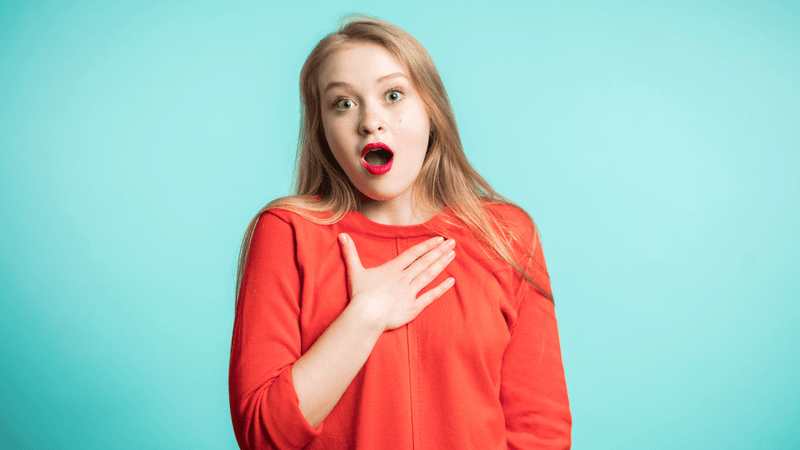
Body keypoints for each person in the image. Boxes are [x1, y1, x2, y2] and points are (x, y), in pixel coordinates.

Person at [229, 14, 571, 450]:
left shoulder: (506, 235)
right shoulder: (287, 233)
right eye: (343, 103)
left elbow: (540, 432)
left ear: (432, 109)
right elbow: (262, 435)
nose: (370, 121)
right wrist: (365, 316)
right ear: (323, 131)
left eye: (393, 95)